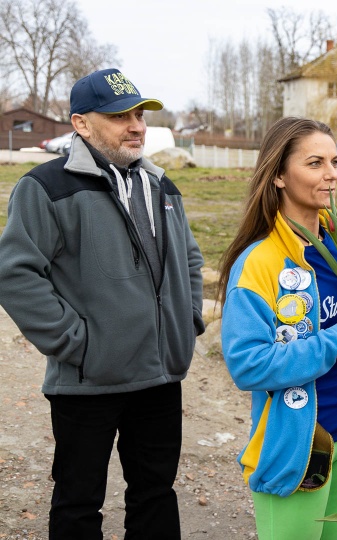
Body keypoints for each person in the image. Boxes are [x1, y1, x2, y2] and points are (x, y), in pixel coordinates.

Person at [0, 68, 205, 538]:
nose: (136, 125)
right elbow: (14, 273)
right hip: (88, 383)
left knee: (155, 494)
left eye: (138, 113)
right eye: (118, 115)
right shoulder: (47, 187)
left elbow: (190, 260)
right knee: (78, 502)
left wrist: (185, 320)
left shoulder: (161, 187)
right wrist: (78, 344)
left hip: (159, 378)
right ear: (81, 124)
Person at [218, 117, 337, 540]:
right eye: (315, 163)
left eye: (334, 161)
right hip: (298, 448)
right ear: (279, 175)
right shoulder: (258, 263)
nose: (331, 173)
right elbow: (248, 365)